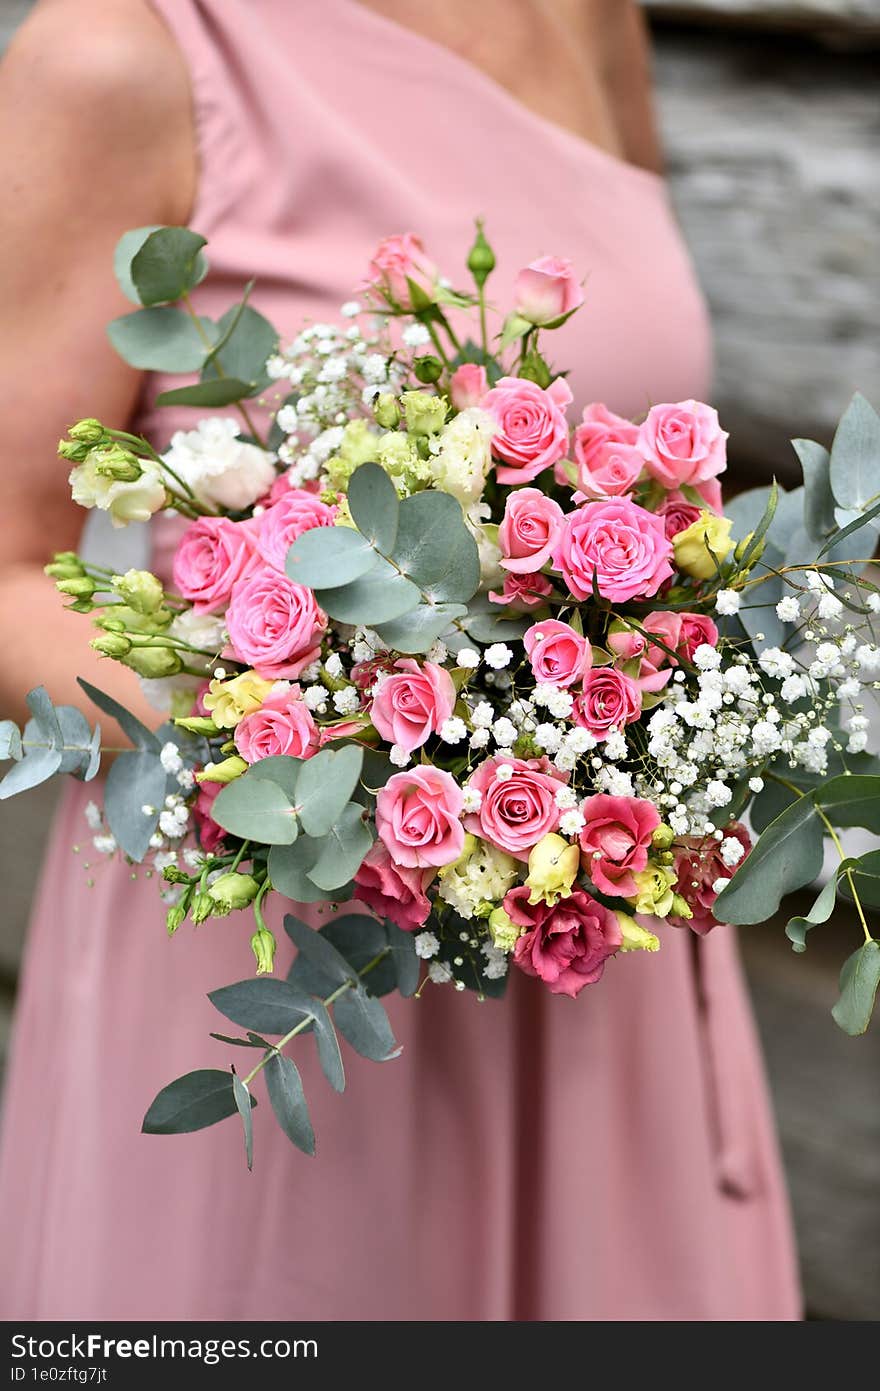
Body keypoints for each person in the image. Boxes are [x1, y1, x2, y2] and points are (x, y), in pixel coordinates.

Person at [0, 0, 801, 1319]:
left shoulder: (590, 18)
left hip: (594, 935)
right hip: (289, 961)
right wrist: (329, 738)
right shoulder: (122, 49)